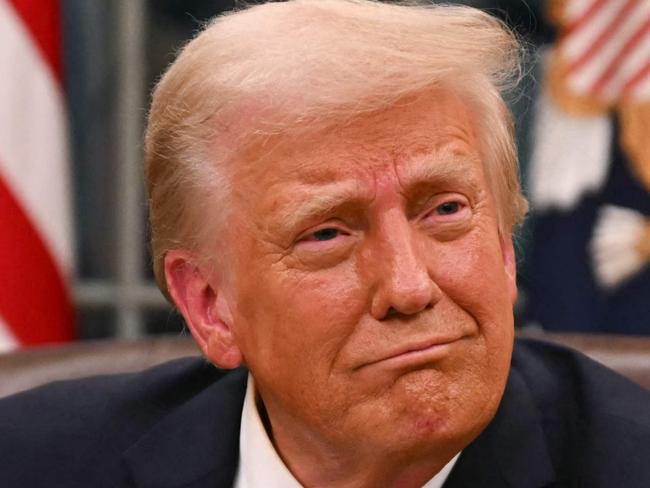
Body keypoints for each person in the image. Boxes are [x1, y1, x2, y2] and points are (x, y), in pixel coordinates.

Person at [2, 1, 650, 487]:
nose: (409, 286)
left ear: (507, 249)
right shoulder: (35, 461)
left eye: (446, 210)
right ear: (208, 305)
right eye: (326, 233)